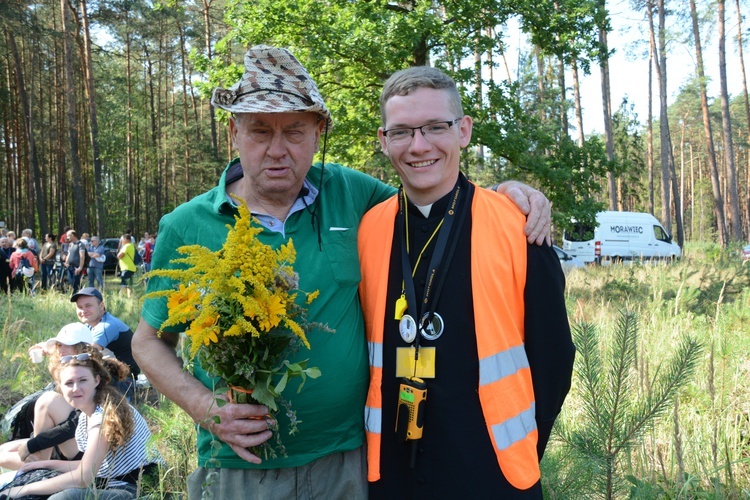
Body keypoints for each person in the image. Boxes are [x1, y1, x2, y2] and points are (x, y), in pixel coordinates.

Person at [133, 45, 551, 499]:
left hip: (350, 462)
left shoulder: (351, 195)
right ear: (233, 132)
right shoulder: (186, 227)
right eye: (258, 132)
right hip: (242, 469)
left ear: (319, 132)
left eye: (295, 131)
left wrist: (508, 194)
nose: (277, 150)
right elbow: (148, 341)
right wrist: (202, 405)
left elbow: (433, 189)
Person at [357, 66, 575, 498]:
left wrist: (525, 450)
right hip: (391, 474)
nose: (419, 146)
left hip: (493, 472)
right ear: (384, 142)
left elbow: (554, 358)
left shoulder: (519, 226)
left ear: (464, 131)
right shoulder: (368, 229)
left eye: (435, 127)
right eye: (401, 132)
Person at [0, 350, 159, 499]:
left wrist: (22, 490)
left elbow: (83, 478)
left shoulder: (102, 416)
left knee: (60, 498)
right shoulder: (85, 417)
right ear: (60, 387)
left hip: (138, 488)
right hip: (111, 481)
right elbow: (87, 466)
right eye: (69, 383)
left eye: (82, 380)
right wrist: (45, 464)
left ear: (96, 380)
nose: (76, 388)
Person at [70, 287, 140, 379]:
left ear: (101, 306)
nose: (83, 311)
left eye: (88, 306)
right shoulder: (90, 325)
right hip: (109, 373)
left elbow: (87, 353)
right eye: (80, 307)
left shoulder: (107, 326)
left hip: (124, 379)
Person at [63, 230, 86, 294]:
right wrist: (66, 262)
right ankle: (78, 293)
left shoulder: (80, 244)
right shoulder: (71, 244)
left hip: (76, 267)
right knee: (71, 282)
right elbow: (69, 254)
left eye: (68, 236)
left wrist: (80, 267)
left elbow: (82, 256)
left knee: (76, 283)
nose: (67, 238)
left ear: (73, 235)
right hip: (70, 267)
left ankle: (76, 295)